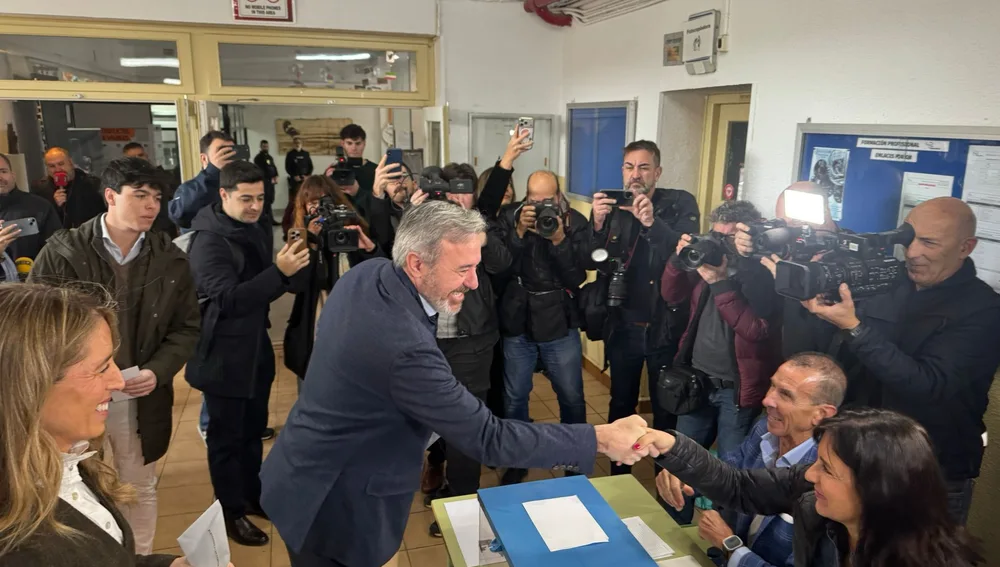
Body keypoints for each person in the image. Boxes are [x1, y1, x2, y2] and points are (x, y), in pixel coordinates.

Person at [260, 200, 649, 567]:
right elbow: (490, 438)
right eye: (462, 269)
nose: (475, 283)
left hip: (303, 466)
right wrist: (599, 438)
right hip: (334, 503)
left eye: (476, 267)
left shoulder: (370, 272)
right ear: (416, 263)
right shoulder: (403, 348)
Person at [28, 157, 201, 554]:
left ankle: (136, 558)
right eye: (139, 195)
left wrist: (158, 371)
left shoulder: (171, 258)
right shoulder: (64, 250)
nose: (151, 206)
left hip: (137, 390)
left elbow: (187, 326)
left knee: (138, 482)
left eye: (156, 197)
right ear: (110, 196)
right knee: (70, 481)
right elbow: (35, 327)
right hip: (73, 392)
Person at [799, 196, 1000, 525]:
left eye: (929, 243)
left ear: (966, 247)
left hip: (927, 474)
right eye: (909, 239)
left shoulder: (984, 310)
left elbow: (928, 384)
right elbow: (836, 362)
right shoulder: (890, 284)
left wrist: (855, 327)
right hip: (859, 460)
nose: (912, 253)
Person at [0, 283, 218, 567]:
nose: (118, 381)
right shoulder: (15, 548)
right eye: (101, 368)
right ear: (28, 385)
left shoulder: (67, 460)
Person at [641, 408, 983, 567]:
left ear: (876, 488)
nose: (809, 475)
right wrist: (669, 445)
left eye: (827, 469)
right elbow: (739, 486)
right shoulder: (814, 497)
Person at [184, 161, 310, 547]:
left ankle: (252, 496)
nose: (255, 206)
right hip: (222, 354)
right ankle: (230, 512)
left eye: (259, 198)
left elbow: (263, 290)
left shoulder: (251, 228)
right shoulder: (208, 240)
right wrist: (279, 271)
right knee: (227, 440)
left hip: (254, 348)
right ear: (223, 195)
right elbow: (229, 300)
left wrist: (289, 270)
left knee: (253, 431)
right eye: (245, 198)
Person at [661, 200, 780, 523]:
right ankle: (676, 528)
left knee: (729, 473)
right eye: (715, 235)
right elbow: (671, 295)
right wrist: (678, 257)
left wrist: (720, 281)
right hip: (696, 379)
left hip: (736, 391)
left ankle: (724, 543)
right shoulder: (705, 262)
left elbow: (756, 329)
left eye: (727, 238)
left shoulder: (762, 275)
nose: (718, 243)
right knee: (682, 462)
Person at [588, 140, 700, 474]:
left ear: (658, 172)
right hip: (624, 324)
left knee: (666, 407)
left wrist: (652, 223)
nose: (635, 175)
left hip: (665, 326)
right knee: (621, 403)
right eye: (629, 167)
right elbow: (594, 259)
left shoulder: (679, 203)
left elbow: (685, 258)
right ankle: (618, 474)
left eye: (643, 167)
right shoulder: (613, 207)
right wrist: (596, 223)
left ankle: (664, 475)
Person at [416, 164, 513, 538]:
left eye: (464, 192)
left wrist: (477, 231)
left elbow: (502, 264)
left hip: (471, 343)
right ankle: (438, 471)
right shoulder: (423, 226)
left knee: (467, 424)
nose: (456, 200)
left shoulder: (479, 228)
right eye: (448, 193)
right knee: (428, 417)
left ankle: (461, 504)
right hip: (426, 341)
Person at [698, 353, 846, 567]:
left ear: (821, 414)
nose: (767, 400)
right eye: (772, 386)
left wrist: (728, 544)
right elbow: (732, 468)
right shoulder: (763, 429)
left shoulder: (828, 480)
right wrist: (692, 474)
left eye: (785, 394)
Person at [496, 170, 593, 485]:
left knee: (571, 395)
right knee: (514, 396)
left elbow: (575, 278)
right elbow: (500, 267)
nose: (539, 208)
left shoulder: (575, 221)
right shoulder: (511, 216)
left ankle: (574, 460)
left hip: (558, 319)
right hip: (517, 318)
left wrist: (559, 239)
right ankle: (517, 459)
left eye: (547, 200)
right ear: (526, 196)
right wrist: (518, 233)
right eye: (534, 200)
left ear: (558, 194)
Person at [283, 174, 381, 390]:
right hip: (317, 313)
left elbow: (378, 276)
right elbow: (294, 284)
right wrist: (311, 242)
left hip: (353, 315)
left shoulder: (353, 227)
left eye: (326, 201)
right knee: (313, 383)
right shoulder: (299, 236)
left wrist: (370, 249)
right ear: (303, 206)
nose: (320, 209)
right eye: (313, 203)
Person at [0, 152, 62, 268]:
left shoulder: (40, 207)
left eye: (3, 171)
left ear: (13, 175)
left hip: (32, 283)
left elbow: (57, 253)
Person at [168, 131, 236, 232]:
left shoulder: (240, 185)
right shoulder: (189, 188)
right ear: (204, 158)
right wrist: (212, 171)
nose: (227, 157)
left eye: (230, 152)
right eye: (221, 152)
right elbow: (179, 215)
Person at [30, 147, 105, 229]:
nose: (57, 169)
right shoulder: (40, 188)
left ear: (71, 163)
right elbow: (38, 221)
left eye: (61, 164)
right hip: (57, 237)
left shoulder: (93, 184)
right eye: (52, 166)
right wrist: (54, 205)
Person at [122, 142, 179, 238]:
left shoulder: (163, 177)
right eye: (133, 157)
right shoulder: (124, 183)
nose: (138, 159)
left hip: (165, 228)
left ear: (146, 155)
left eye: (140, 155)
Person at [339, 123, 377, 198]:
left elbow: (380, 201)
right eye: (349, 143)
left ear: (364, 143)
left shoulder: (376, 170)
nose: (354, 148)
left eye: (358, 143)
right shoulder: (336, 169)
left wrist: (358, 192)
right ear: (342, 144)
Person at [253, 140, 280, 225]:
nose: (266, 148)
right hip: (265, 182)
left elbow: (273, 167)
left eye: (267, 146)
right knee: (265, 201)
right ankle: (265, 220)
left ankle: (270, 220)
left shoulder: (269, 157)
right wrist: (268, 178)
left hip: (271, 182)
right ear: (260, 147)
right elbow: (261, 171)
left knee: (270, 200)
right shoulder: (258, 158)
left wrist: (276, 175)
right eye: (264, 146)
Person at [285, 137, 313, 203]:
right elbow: (287, 167)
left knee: (306, 197)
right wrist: (294, 176)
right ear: (293, 144)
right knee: (296, 199)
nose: (297, 144)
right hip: (295, 180)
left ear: (301, 144)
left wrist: (307, 176)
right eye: (296, 143)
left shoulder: (306, 154)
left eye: (299, 143)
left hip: (305, 179)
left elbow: (310, 166)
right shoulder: (290, 154)